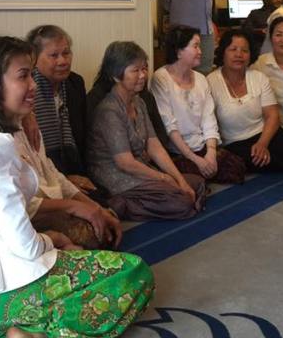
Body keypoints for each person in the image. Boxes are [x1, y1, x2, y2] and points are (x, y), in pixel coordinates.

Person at [0, 36, 154, 338]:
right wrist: (52, 241)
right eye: (23, 76)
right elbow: (23, 244)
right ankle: (39, 334)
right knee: (135, 273)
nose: (33, 85)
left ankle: (23, 332)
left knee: (90, 257)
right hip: (0, 294)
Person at [87, 41, 206, 220]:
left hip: (141, 169)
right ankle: (120, 205)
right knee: (180, 201)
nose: (143, 75)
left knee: (197, 183)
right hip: (117, 177)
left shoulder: (139, 102)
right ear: (117, 76)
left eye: (144, 69)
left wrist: (178, 179)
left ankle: (182, 202)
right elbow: (125, 163)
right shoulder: (109, 110)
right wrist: (164, 178)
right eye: (135, 71)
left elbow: (154, 145)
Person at [150, 25, 246, 184]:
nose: (200, 51)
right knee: (193, 176)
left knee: (237, 168)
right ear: (179, 51)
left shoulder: (201, 79)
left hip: (201, 146)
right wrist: (194, 158)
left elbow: (209, 119)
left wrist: (211, 152)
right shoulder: (161, 78)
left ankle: (203, 170)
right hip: (178, 150)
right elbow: (169, 126)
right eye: (195, 46)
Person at [15, 113, 122, 250]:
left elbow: (51, 171)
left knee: (107, 222)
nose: (32, 90)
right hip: (31, 220)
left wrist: (95, 208)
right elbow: (18, 205)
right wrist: (73, 207)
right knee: (92, 234)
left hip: (55, 203)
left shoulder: (25, 120)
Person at [207, 29, 283, 173]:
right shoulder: (210, 82)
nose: (239, 55)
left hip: (265, 136)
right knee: (260, 160)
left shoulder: (258, 77)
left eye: (245, 50)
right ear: (223, 52)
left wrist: (262, 143)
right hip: (235, 143)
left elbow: (272, 115)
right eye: (233, 49)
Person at [25, 25, 90, 183]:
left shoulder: (75, 83)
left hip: (77, 170)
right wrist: (65, 181)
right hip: (42, 178)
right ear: (34, 59)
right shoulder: (27, 90)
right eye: (54, 55)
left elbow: (83, 137)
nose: (63, 61)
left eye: (66, 53)